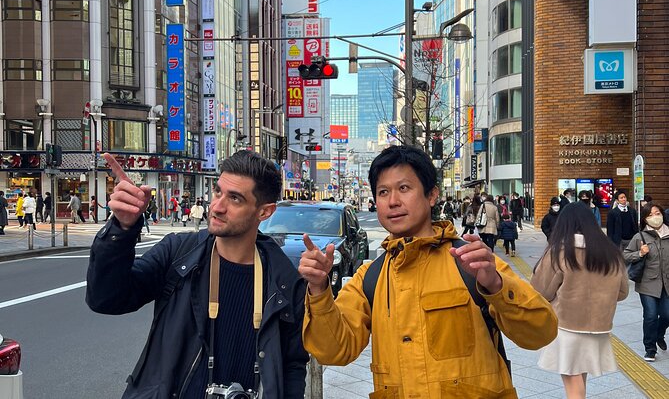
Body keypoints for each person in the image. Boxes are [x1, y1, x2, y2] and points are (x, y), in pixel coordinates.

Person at [299, 145, 557, 398]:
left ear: (432, 195)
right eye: (383, 192)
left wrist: (496, 286)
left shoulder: (469, 261)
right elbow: (333, 351)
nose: (392, 201)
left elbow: (540, 333)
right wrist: (319, 290)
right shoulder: (370, 279)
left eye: (404, 188)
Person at [86, 150, 308, 398]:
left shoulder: (285, 281)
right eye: (218, 192)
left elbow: (292, 365)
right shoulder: (179, 253)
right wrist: (122, 229)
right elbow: (106, 299)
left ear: (264, 212)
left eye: (235, 199)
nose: (217, 206)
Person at [531, 201, 628, 398]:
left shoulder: (560, 251)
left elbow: (540, 290)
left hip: (566, 325)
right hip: (599, 326)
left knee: (572, 378)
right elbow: (623, 292)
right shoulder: (610, 252)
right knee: (579, 376)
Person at [623, 202, 669, 362]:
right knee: (650, 316)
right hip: (648, 283)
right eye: (650, 215)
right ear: (645, 219)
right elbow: (626, 255)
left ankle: (659, 334)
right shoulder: (640, 237)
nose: (655, 217)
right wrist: (639, 253)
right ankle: (650, 349)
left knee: (666, 315)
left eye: (657, 213)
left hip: (667, 284)